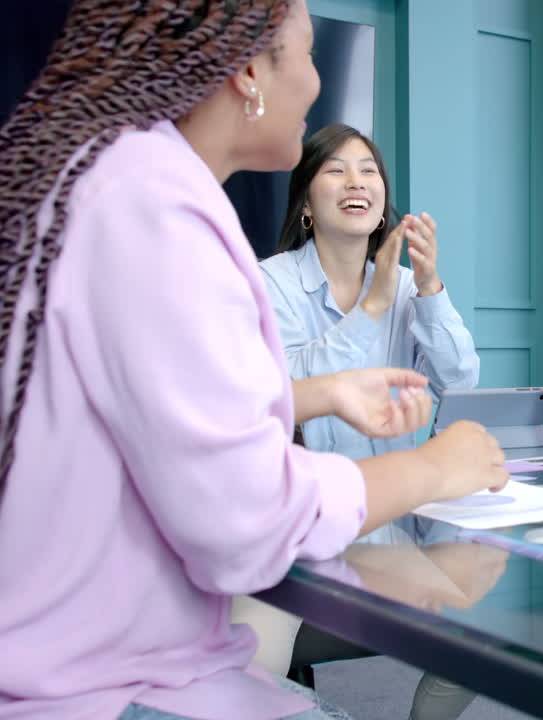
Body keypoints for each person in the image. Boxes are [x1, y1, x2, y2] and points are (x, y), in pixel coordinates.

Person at [0, 2, 508, 719]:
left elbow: (163, 405)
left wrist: (318, 391)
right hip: (109, 689)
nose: (313, 82)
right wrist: (432, 467)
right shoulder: (156, 210)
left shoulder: (119, 180)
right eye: (305, 54)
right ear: (247, 73)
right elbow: (246, 524)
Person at [261, 123, 479, 467]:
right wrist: (373, 306)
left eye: (368, 170)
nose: (356, 182)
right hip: (313, 499)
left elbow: (459, 385)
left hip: (396, 502)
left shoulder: (407, 286)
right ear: (306, 205)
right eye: (336, 170)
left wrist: (430, 288)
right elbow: (288, 392)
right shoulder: (270, 282)